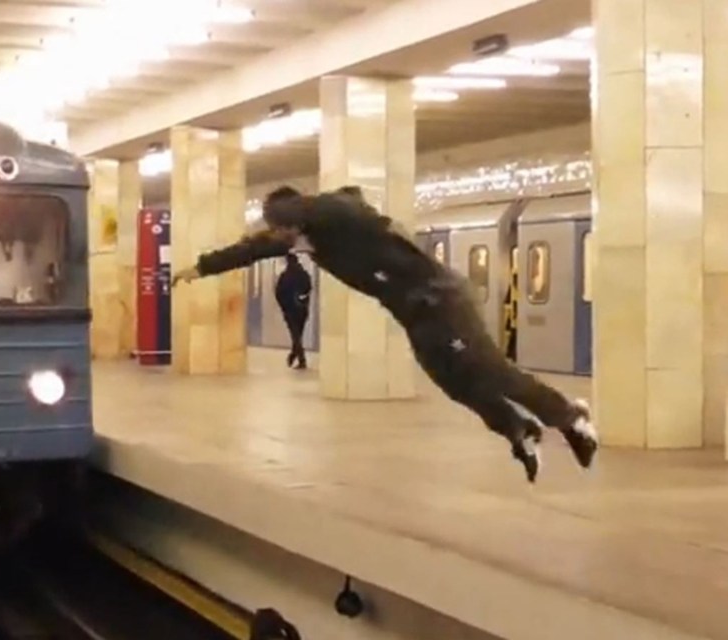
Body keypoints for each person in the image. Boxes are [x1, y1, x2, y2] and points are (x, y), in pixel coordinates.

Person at [172, 185, 598, 483]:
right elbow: (250, 249)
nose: (282, 240)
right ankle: (518, 430)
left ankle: (570, 417)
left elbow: (349, 206)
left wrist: (313, 210)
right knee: (452, 382)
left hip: (441, 298)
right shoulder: (301, 238)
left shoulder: (338, 217)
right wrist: (200, 268)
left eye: (286, 231)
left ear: (299, 219)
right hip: (414, 312)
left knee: (488, 370)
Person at [275, 253, 312, 369]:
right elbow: (308, 288)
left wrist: (284, 307)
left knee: (295, 335)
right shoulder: (304, 275)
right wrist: (304, 301)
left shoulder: (285, 276)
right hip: (302, 309)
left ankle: (299, 358)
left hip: (290, 310)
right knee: (298, 335)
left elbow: (278, 293)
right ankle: (295, 354)